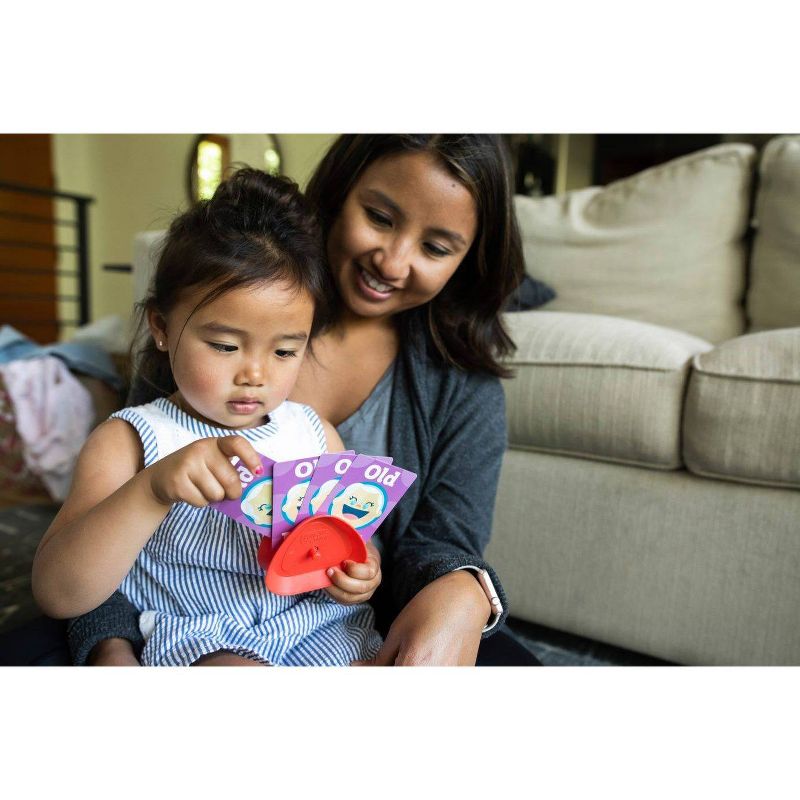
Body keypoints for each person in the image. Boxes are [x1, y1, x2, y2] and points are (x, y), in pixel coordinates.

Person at [65, 134, 541, 667]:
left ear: (468, 257)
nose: (393, 260)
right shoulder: (208, 316)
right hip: (195, 624)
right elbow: (94, 557)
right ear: (340, 193)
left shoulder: (447, 393)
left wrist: (446, 585)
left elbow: (411, 544)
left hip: (322, 621)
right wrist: (111, 646)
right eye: (380, 217)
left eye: (435, 248)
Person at [30, 169, 384, 667]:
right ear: (161, 327)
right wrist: (152, 489)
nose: (254, 374)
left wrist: (363, 570)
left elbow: (352, 536)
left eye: (286, 351)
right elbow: (59, 592)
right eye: (224, 345)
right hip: (205, 634)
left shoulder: (314, 432)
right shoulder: (131, 440)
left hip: (317, 624)